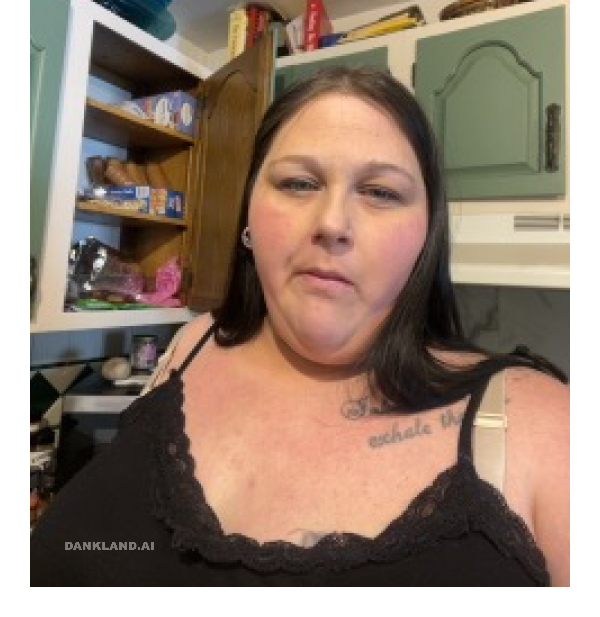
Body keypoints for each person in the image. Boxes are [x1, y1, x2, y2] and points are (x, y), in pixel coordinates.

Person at [30, 66, 569, 586]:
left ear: (427, 234)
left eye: (381, 192)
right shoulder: (193, 342)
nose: (332, 223)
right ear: (248, 214)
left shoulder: (541, 425)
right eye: (298, 182)